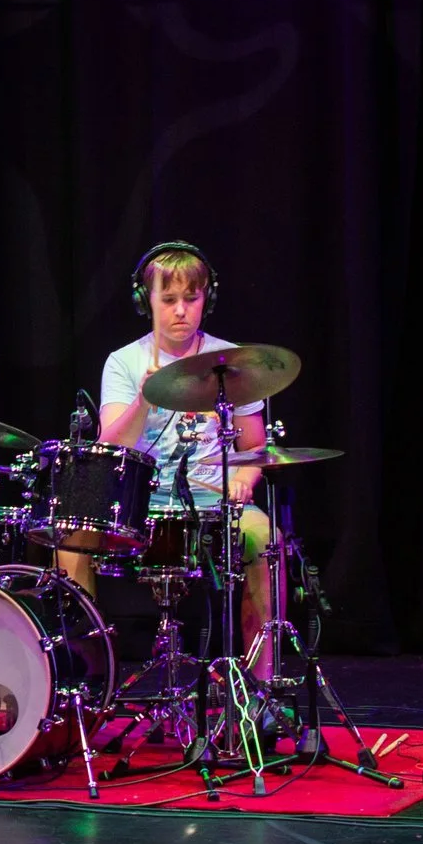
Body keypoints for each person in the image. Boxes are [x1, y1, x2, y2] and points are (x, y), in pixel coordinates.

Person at [59, 242, 275, 677]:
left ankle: (260, 685)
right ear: (146, 301)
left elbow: (256, 449)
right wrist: (144, 397)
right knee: (69, 539)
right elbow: (112, 445)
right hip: (142, 507)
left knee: (262, 537)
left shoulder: (232, 361)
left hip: (216, 502)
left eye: (190, 299)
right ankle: (88, 678)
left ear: (206, 300)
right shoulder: (125, 361)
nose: (180, 311)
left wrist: (245, 481)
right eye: (169, 299)